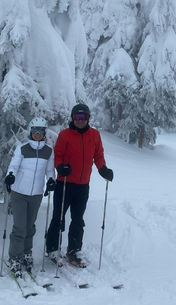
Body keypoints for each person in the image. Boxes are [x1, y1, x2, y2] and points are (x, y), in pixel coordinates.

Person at [45, 103, 114, 268]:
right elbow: (58, 155)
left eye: (83, 117)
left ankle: (74, 250)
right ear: (73, 118)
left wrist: (103, 169)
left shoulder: (94, 135)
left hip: (83, 185)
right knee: (58, 218)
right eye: (77, 117)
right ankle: (52, 249)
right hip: (65, 183)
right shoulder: (65, 135)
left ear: (88, 118)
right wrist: (60, 166)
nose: (80, 120)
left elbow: (98, 155)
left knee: (78, 219)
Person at [4, 117, 56, 278]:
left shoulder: (49, 151)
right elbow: (14, 165)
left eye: (41, 131)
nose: (38, 134)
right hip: (19, 192)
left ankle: (26, 254)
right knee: (20, 227)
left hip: (36, 194)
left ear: (44, 133)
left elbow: (49, 170)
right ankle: (15, 258)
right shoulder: (23, 148)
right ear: (31, 132)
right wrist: (10, 176)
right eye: (35, 131)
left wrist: (51, 180)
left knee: (30, 226)